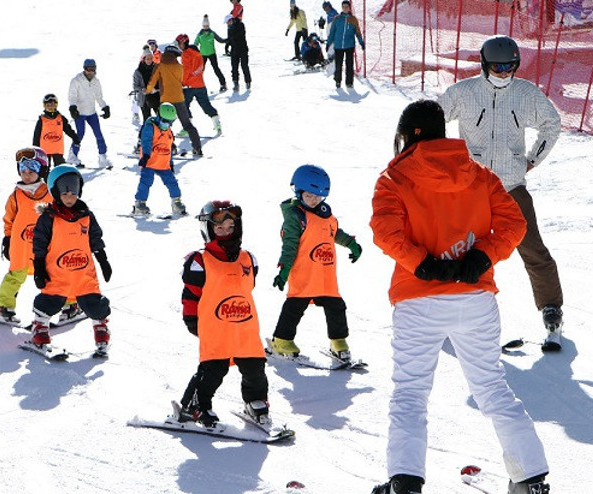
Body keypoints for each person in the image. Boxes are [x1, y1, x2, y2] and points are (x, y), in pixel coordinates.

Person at [369, 100, 550, 494]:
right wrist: (482, 255)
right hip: (475, 300)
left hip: (418, 300)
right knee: (491, 386)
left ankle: (405, 482)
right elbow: (513, 222)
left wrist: (422, 264)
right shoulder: (479, 175)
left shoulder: (394, 178)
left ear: (411, 135)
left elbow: (385, 230)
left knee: (411, 393)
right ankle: (531, 476)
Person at [438, 35, 564, 349]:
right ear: (484, 64)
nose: (504, 72)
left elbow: (552, 123)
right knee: (456, 249)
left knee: (532, 247)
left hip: (510, 186)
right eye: (498, 66)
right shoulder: (464, 93)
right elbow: (432, 120)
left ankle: (551, 307)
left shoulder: (525, 94)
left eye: (510, 66)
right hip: (471, 188)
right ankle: (446, 310)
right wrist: (448, 161)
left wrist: (532, 159)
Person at [177, 200, 270, 427]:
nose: (226, 233)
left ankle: (255, 401)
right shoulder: (199, 261)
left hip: (245, 326)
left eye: (230, 228)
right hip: (215, 327)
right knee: (213, 369)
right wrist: (191, 319)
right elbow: (190, 294)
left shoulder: (248, 258)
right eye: (219, 229)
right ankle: (193, 406)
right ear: (208, 230)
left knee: (255, 367)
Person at [269, 165, 362, 362]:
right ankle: (281, 340)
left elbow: (335, 233)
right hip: (304, 275)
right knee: (294, 308)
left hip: (325, 276)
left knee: (337, 307)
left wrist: (352, 245)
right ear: (299, 191)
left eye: (319, 197)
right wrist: (284, 271)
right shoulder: (296, 217)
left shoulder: (326, 214)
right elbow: (290, 246)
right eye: (310, 195)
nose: (315, 200)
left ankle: (338, 342)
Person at [28, 165, 113, 357]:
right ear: (55, 192)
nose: (69, 197)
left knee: (93, 302)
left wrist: (103, 260)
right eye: (64, 191)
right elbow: (39, 245)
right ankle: (40, 330)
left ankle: (101, 330)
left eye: (73, 191)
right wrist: (39, 268)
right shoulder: (49, 218)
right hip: (56, 274)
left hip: (84, 272)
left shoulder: (86, 216)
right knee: (50, 302)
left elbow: (96, 240)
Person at [0, 149, 53, 323]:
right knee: (15, 275)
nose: (26, 175)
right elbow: (8, 218)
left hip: (46, 245)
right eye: (23, 171)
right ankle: (4, 307)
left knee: (54, 274)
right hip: (21, 245)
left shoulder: (50, 194)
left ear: (42, 171)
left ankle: (70, 305)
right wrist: (8, 238)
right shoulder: (16, 195)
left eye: (31, 172)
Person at [131, 103, 188, 217]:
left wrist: (170, 163)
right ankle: (140, 204)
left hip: (163, 163)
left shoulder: (168, 131)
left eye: (171, 122)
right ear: (159, 117)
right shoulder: (150, 127)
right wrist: (145, 155)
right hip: (150, 161)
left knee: (172, 183)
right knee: (146, 182)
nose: (168, 124)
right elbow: (146, 141)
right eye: (166, 121)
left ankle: (176, 202)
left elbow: (169, 147)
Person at [146, 45, 204, 156]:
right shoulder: (179, 67)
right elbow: (182, 80)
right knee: (187, 124)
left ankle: (171, 147)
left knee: (164, 125)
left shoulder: (160, 66)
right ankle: (197, 147)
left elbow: (152, 81)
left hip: (166, 100)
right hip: (179, 98)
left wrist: (147, 91)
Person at [67, 59, 112, 169]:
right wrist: (73, 108)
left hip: (91, 112)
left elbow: (99, 97)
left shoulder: (96, 82)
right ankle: (72, 156)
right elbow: (72, 96)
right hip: (80, 113)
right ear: (84, 69)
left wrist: (104, 107)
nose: (90, 71)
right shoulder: (76, 80)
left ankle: (102, 157)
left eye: (93, 69)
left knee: (98, 134)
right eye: (88, 69)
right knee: (79, 134)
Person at [178, 33, 222, 135]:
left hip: (188, 86)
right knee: (206, 105)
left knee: (184, 107)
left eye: (179, 43)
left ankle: (187, 128)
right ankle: (217, 123)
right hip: (200, 85)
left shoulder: (185, 54)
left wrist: (182, 83)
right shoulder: (199, 54)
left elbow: (186, 71)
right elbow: (200, 68)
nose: (179, 46)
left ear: (184, 42)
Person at [33, 94, 81, 168]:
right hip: (45, 150)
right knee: (44, 169)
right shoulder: (42, 120)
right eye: (48, 105)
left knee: (60, 169)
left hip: (57, 149)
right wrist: (36, 148)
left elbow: (68, 129)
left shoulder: (60, 118)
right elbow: (36, 135)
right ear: (44, 106)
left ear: (56, 105)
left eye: (52, 104)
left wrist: (75, 138)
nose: (50, 106)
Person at [325, 0, 365, 89]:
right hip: (338, 45)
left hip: (349, 45)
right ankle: (338, 80)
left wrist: (361, 42)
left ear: (349, 8)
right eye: (343, 7)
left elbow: (358, 32)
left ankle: (349, 82)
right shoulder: (337, 18)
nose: (345, 9)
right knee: (338, 64)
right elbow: (332, 32)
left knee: (349, 64)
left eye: (346, 7)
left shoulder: (353, 19)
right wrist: (328, 43)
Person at [194, 15, 228, 92]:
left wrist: (228, 40)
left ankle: (223, 84)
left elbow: (220, 40)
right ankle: (196, 85)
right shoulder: (200, 34)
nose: (205, 27)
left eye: (207, 26)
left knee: (216, 69)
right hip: (203, 55)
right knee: (200, 70)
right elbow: (195, 43)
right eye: (204, 26)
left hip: (212, 54)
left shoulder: (212, 33)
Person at [226, 15, 252, 91]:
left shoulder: (240, 25)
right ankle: (235, 82)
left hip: (243, 49)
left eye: (228, 22)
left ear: (231, 20)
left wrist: (231, 38)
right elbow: (229, 38)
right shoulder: (229, 27)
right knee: (234, 67)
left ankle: (248, 81)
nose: (227, 24)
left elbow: (240, 35)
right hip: (234, 50)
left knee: (244, 66)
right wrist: (227, 47)